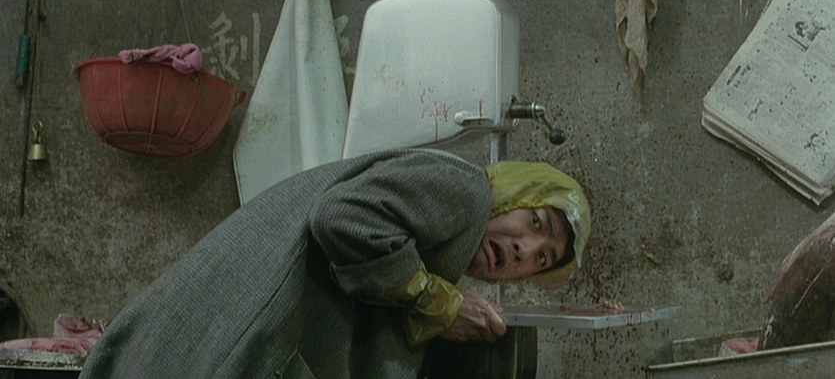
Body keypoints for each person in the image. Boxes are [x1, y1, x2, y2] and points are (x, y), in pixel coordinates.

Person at [78, 148, 590, 379]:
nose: (525, 249)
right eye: (536, 221)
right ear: (515, 192)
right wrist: (440, 303)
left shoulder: (451, 236)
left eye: (541, 258)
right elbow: (342, 217)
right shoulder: (467, 191)